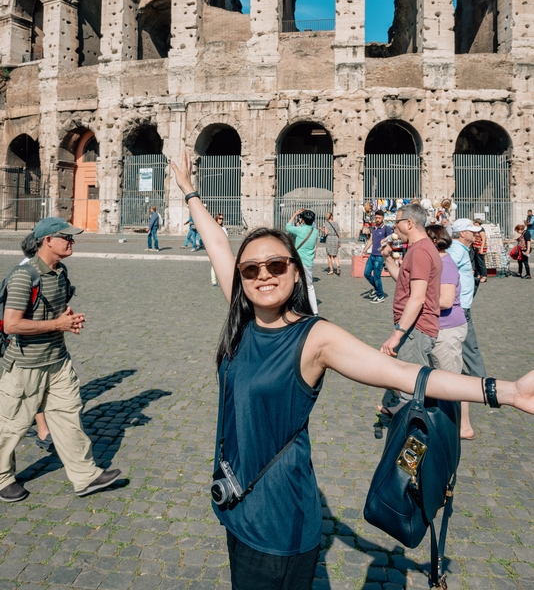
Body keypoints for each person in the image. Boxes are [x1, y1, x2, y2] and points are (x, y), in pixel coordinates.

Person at [171, 153, 534, 590]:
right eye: (251, 269)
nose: (263, 276)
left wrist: (506, 391)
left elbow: (401, 375)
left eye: (276, 265)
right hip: (238, 502)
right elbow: (216, 242)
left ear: (295, 271)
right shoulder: (243, 319)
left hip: (280, 517)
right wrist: (188, 189)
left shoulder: (315, 338)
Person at [0, 217, 121, 502]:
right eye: (66, 237)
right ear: (47, 241)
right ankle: (3, 478)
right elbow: (12, 325)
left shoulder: (60, 271)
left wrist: (68, 319)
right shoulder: (24, 276)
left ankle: (85, 476)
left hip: (58, 361)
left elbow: (56, 310)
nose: (72, 241)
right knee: (12, 426)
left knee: (68, 417)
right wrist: (58, 325)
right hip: (26, 365)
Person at [379, 203, 442, 410]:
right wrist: (387, 258)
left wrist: (397, 334)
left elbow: (417, 298)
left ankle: (412, 436)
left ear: (409, 223)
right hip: (414, 328)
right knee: (408, 384)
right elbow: (403, 281)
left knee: (411, 390)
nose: (394, 228)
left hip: (417, 329)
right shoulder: (417, 249)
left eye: (396, 223)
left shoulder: (420, 251)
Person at [447, 218, 486, 440]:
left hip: (463, 306)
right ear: (462, 233)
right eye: (472, 231)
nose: (476, 234)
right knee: (469, 348)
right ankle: (482, 385)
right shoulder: (457, 250)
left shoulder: (463, 248)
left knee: (469, 348)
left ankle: (481, 383)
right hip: (460, 308)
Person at [18, 234, 55, 453]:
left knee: (31, 386)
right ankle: (42, 429)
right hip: (23, 340)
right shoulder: (27, 273)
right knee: (30, 386)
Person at [426, 225, 467, 374]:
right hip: (437, 327)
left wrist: (417, 301)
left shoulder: (445, 264)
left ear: (435, 241)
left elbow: (446, 301)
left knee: (449, 380)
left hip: (447, 329)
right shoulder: (435, 262)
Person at [286, 208, 319, 314]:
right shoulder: (315, 232)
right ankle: (315, 311)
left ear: (303, 220)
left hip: (298, 261)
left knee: (293, 283)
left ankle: (293, 306)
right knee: (310, 286)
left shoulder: (300, 230)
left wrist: (295, 214)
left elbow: (288, 227)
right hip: (308, 262)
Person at [362, 210, 392, 304]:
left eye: (379, 218)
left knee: (376, 276)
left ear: (383, 218)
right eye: (376, 218)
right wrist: (364, 251)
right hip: (372, 255)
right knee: (366, 273)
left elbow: (391, 240)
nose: (377, 219)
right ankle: (377, 289)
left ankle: (380, 295)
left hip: (379, 256)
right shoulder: (374, 228)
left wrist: (386, 242)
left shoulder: (386, 228)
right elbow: (371, 240)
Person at [211, 213, 228, 287]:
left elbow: (226, 238)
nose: (221, 220)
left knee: (223, 264)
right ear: (216, 219)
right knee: (214, 265)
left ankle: (222, 280)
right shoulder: (213, 228)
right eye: (220, 218)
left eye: (222, 219)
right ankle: (214, 281)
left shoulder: (223, 228)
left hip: (223, 248)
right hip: (216, 248)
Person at [322, 212, 340, 276]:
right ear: (331, 216)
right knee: (335, 255)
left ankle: (331, 270)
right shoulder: (336, 223)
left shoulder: (326, 223)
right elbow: (339, 233)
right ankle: (338, 267)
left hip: (329, 239)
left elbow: (326, 233)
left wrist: (322, 230)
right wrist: (339, 242)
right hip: (335, 239)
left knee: (329, 255)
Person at [472, 219, 488, 283]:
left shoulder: (481, 230)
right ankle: (478, 274)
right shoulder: (475, 229)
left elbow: (483, 239)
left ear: (477, 223)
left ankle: (484, 276)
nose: (474, 224)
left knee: (481, 262)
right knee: (476, 261)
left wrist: (481, 248)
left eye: (475, 223)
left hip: (480, 247)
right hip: (476, 247)